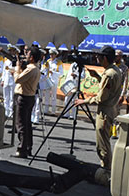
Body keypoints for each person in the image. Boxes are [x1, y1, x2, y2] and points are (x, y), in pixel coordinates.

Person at [74, 46, 123, 181]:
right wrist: (96, 76)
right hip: (110, 109)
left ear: (105, 58)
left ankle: (106, 172)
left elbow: (101, 97)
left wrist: (84, 101)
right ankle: (106, 169)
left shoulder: (109, 74)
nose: (97, 59)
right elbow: (108, 88)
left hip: (105, 111)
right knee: (104, 141)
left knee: (102, 144)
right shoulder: (115, 70)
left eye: (99, 57)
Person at [13, 47, 42, 158]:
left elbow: (17, 79)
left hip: (23, 97)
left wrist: (17, 68)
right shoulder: (36, 68)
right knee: (27, 124)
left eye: (28, 55)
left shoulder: (30, 69)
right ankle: (28, 147)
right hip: (29, 97)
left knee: (21, 124)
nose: (26, 57)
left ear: (32, 58)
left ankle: (22, 148)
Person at [42, 49, 64, 116]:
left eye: (52, 54)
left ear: (55, 55)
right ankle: (46, 110)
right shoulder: (48, 61)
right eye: (50, 54)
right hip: (47, 80)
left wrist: (53, 72)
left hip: (54, 81)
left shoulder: (59, 62)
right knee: (47, 95)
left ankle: (53, 111)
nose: (51, 56)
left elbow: (61, 73)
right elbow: (44, 70)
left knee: (54, 96)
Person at [0, 44, 18, 118]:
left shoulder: (16, 59)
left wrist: (13, 71)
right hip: (6, 80)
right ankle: (6, 111)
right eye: (9, 51)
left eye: (12, 50)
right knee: (5, 97)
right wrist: (3, 80)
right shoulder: (6, 60)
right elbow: (4, 71)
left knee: (11, 98)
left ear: (15, 51)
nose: (10, 52)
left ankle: (11, 112)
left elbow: (17, 69)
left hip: (13, 80)